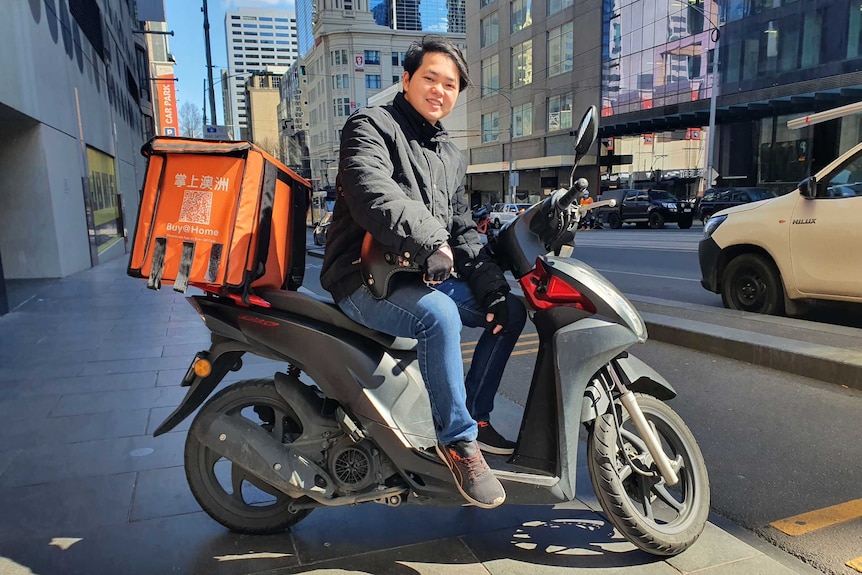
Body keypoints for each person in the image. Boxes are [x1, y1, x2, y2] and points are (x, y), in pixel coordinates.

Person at [320, 36, 527, 509]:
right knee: (439, 317)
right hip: (362, 277)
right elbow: (373, 193)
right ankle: (457, 444)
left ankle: (474, 416)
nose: (439, 91)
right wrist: (429, 241)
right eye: (430, 78)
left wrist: (490, 286)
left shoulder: (450, 155)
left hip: (416, 276)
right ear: (407, 79)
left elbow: (461, 228)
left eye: (450, 85)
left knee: (510, 312)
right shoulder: (370, 126)